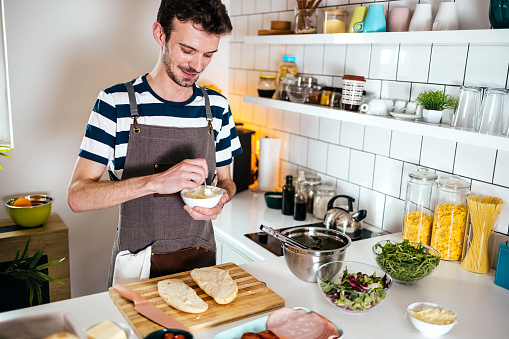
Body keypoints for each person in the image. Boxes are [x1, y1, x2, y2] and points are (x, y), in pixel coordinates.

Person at [67, 0, 241, 287]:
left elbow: (227, 181)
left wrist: (221, 198)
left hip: (199, 262)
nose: (197, 65)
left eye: (209, 54)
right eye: (188, 50)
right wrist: (155, 182)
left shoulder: (218, 108)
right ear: (160, 34)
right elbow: (77, 197)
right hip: (137, 267)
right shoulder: (115, 103)